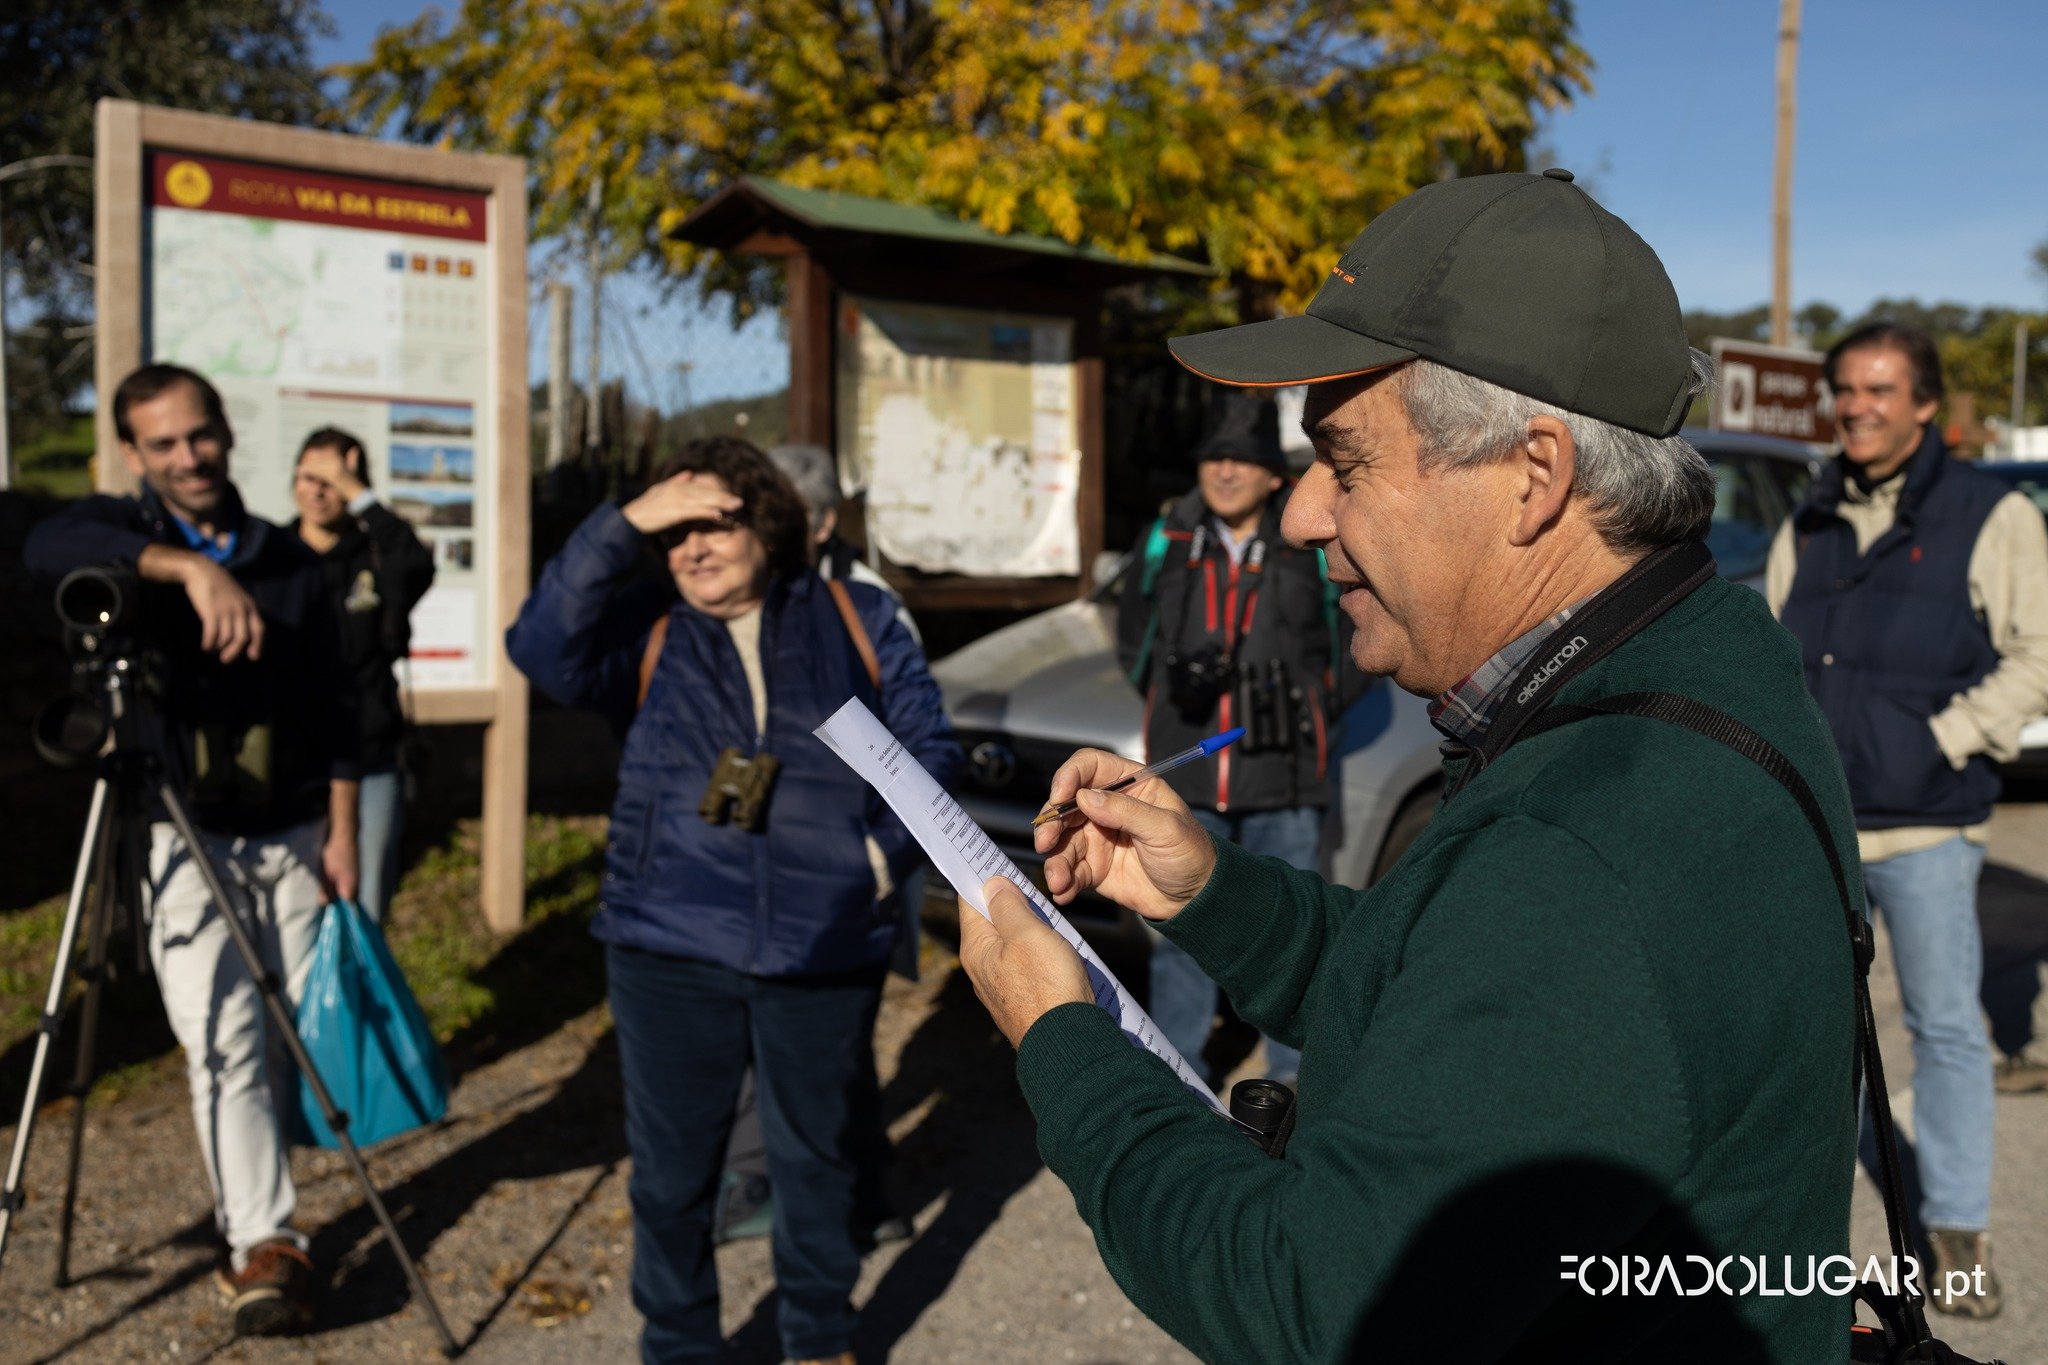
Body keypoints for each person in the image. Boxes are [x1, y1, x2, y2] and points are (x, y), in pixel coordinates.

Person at [952, 170, 1864, 1359]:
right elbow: (1469, 1020)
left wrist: (1059, 1041)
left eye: (1345, 463)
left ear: (1533, 478)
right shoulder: (1701, 654)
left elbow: (1309, 1308)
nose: (1299, 518)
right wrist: (1214, 897)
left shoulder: (1586, 844)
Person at [506, 436, 961, 1365]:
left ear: (770, 520)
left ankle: (819, 1337)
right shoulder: (645, 627)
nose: (694, 548)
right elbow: (537, 644)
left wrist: (872, 863)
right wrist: (626, 521)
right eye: (674, 533)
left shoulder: (856, 613)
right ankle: (677, 1344)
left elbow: (930, 749)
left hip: (824, 943)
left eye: (716, 521)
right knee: (673, 1175)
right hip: (667, 944)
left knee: (815, 1159)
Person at [24, 364, 358, 1336]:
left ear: (224, 431)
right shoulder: (127, 546)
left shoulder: (290, 560)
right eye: (162, 444)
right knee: (226, 1045)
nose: (187, 457)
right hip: (179, 835)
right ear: (134, 454)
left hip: (293, 830)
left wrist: (342, 829)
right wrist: (184, 569)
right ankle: (263, 1238)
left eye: (199, 436)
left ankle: (282, 1195)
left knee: (305, 1035)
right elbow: (46, 543)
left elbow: (339, 706)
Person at [1767, 322, 2048, 1318]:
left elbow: (2035, 654)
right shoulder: (1807, 513)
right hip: (1821, 828)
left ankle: (1957, 1233)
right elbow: (1772, 655)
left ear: (1925, 404)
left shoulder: (1992, 511)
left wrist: (1942, 739)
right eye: (1843, 389)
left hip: (1927, 824)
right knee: (1815, 1035)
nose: (1854, 407)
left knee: (1942, 1027)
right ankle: (1801, 1244)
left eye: (1878, 390)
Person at [1115, 388, 1358, 1084]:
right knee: (1180, 930)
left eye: (1242, 459)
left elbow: (1352, 636)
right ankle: (1179, 1077)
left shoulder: (1306, 538)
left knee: (1290, 930)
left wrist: (1316, 703)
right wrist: (1168, 693)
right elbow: (1133, 635)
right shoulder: (1169, 536)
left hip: (1285, 773)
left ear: (1272, 472)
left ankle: (1294, 1087)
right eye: (1214, 457)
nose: (1225, 471)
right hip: (1188, 771)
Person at [287, 427, 435, 925]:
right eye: (308, 477)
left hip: (371, 754)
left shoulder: (377, 557)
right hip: (294, 762)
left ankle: (357, 1001)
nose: (318, 489)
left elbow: (417, 563)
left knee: (365, 900)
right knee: (296, 907)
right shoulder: (277, 555)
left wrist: (361, 495)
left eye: (333, 479)